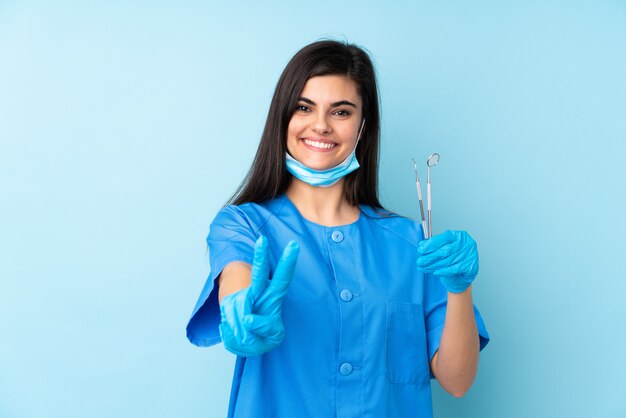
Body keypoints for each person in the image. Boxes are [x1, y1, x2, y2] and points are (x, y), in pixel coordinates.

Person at [186, 40, 490, 418]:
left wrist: (460, 290)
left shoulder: (412, 243)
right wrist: (242, 311)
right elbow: (238, 276)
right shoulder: (244, 225)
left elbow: (457, 381)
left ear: (364, 126)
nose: (321, 125)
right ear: (283, 117)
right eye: (304, 107)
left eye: (341, 112)